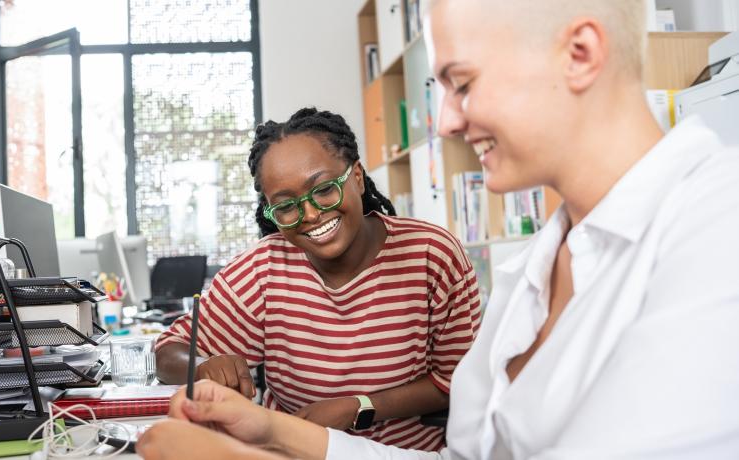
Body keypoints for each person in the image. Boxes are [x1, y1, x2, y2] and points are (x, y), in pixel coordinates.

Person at [137, 0, 739, 458]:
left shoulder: (716, 233)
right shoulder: (534, 269)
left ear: (580, 53)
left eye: (464, 82)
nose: (447, 121)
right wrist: (274, 430)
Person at [153, 107, 482, 450]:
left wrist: (360, 407)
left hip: (405, 453)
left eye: (324, 189)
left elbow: (457, 381)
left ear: (356, 176)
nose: (309, 215)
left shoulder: (433, 256)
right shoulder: (260, 271)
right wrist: (204, 366)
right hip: (294, 452)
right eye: (286, 206)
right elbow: (168, 352)